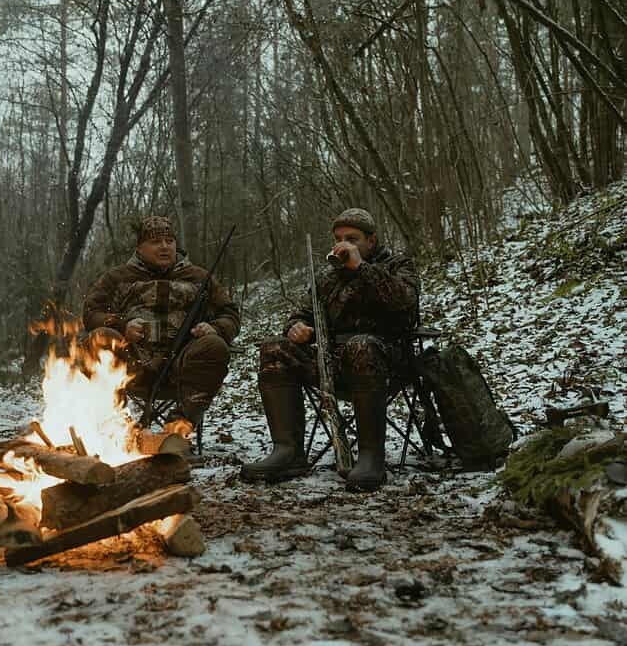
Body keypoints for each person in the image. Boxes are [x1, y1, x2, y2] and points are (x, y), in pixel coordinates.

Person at [240, 208, 419, 491]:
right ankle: (288, 452)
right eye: (338, 238)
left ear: (371, 240)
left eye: (353, 238)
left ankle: (371, 457)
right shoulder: (328, 278)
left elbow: (406, 305)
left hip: (386, 359)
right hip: (334, 361)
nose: (343, 245)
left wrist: (362, 268)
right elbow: (301, 314)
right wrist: (296, 327)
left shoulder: (397, 266)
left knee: (361, 346)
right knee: (274, 348)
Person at [82, 216, 240, 427]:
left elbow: (230, 313)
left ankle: (179, 427)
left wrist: (215, 328)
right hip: (131, 364)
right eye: (156, 242)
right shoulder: (117, 277)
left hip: (183, 365)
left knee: (215, 345)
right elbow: (91, 313)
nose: (164, 247)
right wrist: (122, 325)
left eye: (170, 241)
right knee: (99, 339)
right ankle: (114, 425)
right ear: (140, 247)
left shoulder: (199, 277)